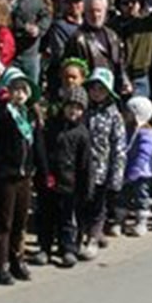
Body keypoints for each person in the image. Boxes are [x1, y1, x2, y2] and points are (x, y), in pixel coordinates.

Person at [0, 68, 39, 285]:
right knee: (4, 222)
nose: (19, 94)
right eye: (15, 89)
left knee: (21, 220)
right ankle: (0, 265)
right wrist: (2, 100)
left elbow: (35, 146)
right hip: (6, 175)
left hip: (24, 175)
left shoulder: (29, 116)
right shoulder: (4, 113)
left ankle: (17, 258)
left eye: (23, 90)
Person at [34, 86, 90, 269]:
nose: (74, 111)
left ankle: (67, 248)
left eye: (78, 108)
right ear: (63, 106)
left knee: (67, 219)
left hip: (70, 183)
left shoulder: (82, 133)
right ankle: (45, 248)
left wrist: (85, 187)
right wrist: (45, 174)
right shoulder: (52, 127)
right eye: (70, 106)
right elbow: (42, 150)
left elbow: (85, 164)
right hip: (50, 180)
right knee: (46, 217)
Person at [78, 68, 125, 259]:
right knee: (83, 204)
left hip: (102, 169)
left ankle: (93, 237)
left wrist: (117, 175)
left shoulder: (114, 115)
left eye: (102, 89)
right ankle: (83, 233)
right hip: (82, 167)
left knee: (99, 205)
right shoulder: (83, 110)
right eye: (94, 88)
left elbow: (119, 147)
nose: (97, 92)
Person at [121, 96, 152, 237]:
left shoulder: (146, 132)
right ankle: (120, 220)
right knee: (124, 196)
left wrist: (135, 170)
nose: (125, 115)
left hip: (142, 172)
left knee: (141, 197)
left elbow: (144, 154)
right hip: (127, 170)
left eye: (128, 112)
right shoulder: (127, 129)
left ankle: (141, 221)